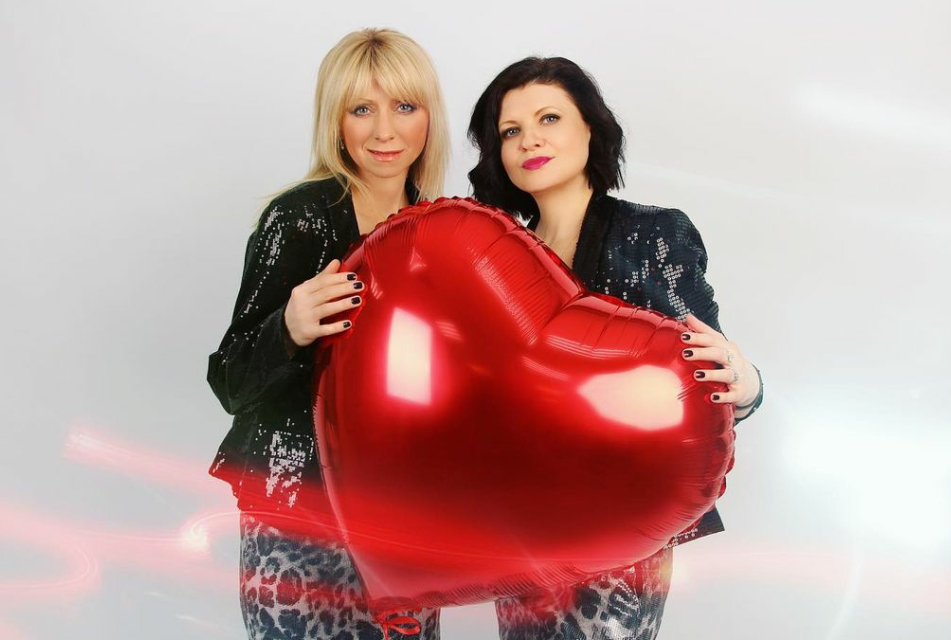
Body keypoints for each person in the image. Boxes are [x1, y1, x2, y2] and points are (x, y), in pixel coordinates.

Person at [468, 56, 763, 640]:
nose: (529, 140)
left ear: (591, 128)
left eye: (549, 118)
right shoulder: (496, 258)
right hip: (524, 528)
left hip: (625, 525)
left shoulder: (652, 234)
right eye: (510, 130)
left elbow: (706, 380)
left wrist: (748, 385)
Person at [206, 28, 449, 640]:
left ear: (429, 117)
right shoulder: (299, 218)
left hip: (400, 516)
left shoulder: (443, 230)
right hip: (297, 508)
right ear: (335, 121)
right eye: (361, 109)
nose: (384, 131)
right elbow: (230, 380)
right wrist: (287, 329)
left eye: (404, 106)